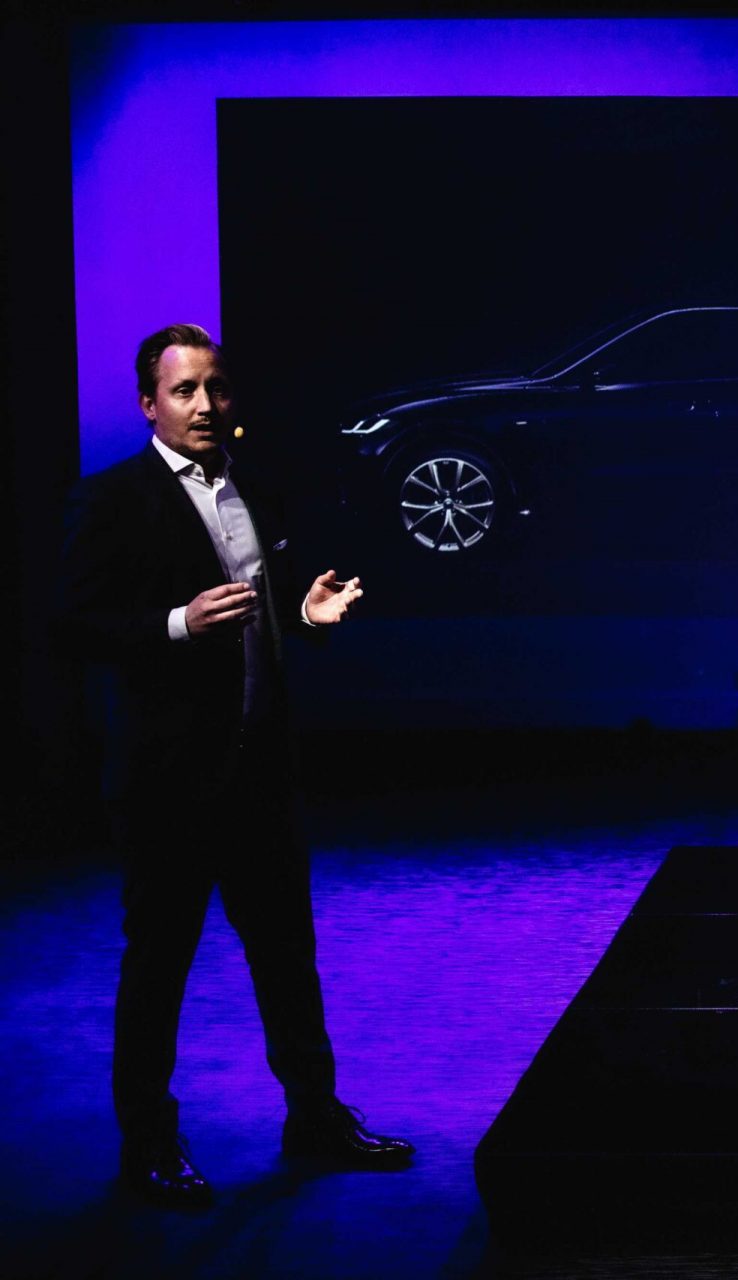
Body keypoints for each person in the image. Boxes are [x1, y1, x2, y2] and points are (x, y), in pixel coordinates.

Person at [57, 323, 412, 1209]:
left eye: (215, 388)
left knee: (289, 958)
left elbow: (259, 616)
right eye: (184, 391)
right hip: (168, 783)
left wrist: (303, 613)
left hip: (259, 771)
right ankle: (147, 1145)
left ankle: (316, 1118)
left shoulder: (252, 489)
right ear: (149, 404)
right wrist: (176, 623)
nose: (206, 406)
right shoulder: (111, 501)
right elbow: (72, 627)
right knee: (159, 969)